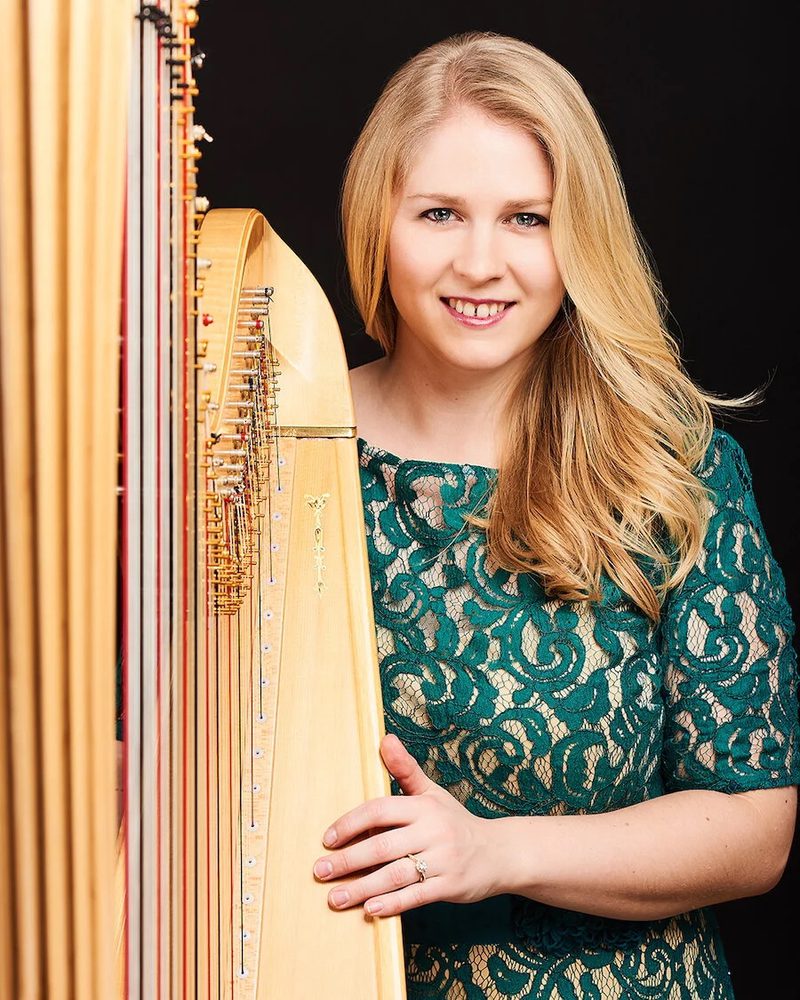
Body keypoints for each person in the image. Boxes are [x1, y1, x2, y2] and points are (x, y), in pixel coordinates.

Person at [311, 31, 800, 999]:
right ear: (378, 221)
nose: (479, 262)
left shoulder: (671, 471)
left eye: (526, 219)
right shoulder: (277, 462)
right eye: (440, 213)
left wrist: (494, 852)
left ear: (578, 236)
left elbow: (754, 830)